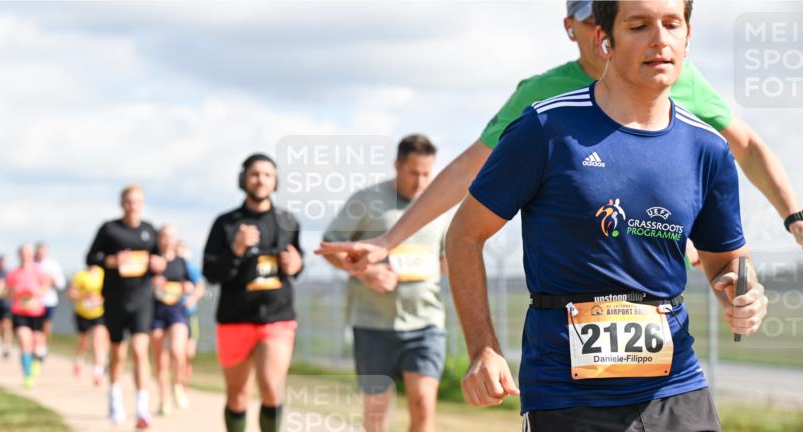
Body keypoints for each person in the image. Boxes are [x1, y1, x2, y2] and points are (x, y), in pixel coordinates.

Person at [441, 2, 768, 432]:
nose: (658, 39)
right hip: (571, 398)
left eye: (671, 23)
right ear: (604, 38)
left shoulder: (706, 148)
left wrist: (742, 290)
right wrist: (483, 348)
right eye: (638, 25)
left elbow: (724, 258)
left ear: (688, 36)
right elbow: (464, 235)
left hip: (674, 390)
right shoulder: (547, 128)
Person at [318, 0, 802, 277]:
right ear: (574, 28)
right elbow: (468, 168)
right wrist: (390, 239)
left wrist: (793, 215)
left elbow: (746, 146)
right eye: (591, 22)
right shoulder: (540, 94)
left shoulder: (675, 75)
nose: (600, 33)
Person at [322, 134, 450, 432]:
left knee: (423, 404)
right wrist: (367, 271)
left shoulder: (439, 205)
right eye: (413, 173)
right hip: (373, 323)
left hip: (426, 323)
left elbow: (449, 254)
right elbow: (330, 246)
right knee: (376, 409)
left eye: (427, 174)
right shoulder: (367, 200)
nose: (420, 182)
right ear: (397, 166)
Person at [203, 153, 304, 432]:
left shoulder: (288, 221)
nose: (261, 180)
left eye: (267, 174)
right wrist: (235, 249)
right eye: (255, 174)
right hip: (234, 317)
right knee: (237, 395)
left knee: (271, 387)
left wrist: (296, 265)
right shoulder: (225, 223)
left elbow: (296, 263)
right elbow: (211, 273)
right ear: (243, 179)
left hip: (276, 316)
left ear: (275, 181)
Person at [85, 185, 166, 429]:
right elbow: (91, 257)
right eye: (129, 201)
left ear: (142, 204)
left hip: (141, 299)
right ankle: (115, 398)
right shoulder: (110, 229)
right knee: (118, 353)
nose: (133, 206)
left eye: (137, 201)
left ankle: (142, 408)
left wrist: (158, 264)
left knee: (140, 351)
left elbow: (160, 260)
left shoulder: (149, 230)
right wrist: (111, 260)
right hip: (115, 299)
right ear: (122, 204)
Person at [151, 225, 195, 415]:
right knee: (160, 360)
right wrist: (152, 283)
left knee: (178, 351)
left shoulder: (181, 262)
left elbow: (194, 284)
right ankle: (163, 400)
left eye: (171, 236)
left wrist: (189, 289)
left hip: (177, 311)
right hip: (156, 312)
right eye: (164, 236)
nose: (167, 240)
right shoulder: (152, 261)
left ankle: (177, 384)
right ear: (159, 239)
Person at [5, 243, 51, 388]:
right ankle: (27, 375)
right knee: (25, 341)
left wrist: (36, 291)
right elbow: (7, 292)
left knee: (36, 342)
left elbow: (46, 286)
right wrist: (14, 291)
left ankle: (36, 361)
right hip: (19, 312)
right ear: (19, 255)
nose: (26, 257)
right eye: (23, 255)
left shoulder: (39, 272)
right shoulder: (13, 273)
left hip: (36, 312)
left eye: (29, 255)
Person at [68, 263, 109, 386]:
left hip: (99, 313)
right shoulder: (80, 275)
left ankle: (98, 372)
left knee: (97, 343)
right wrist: (84, 295)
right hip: (83, 313)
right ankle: (79, 360)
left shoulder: (104, 274)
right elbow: (71, 294)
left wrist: (102, 299)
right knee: (83, 342)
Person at [177, 240, 205, 386]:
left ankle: (185, 380)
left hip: (190, 314)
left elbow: (201, 287)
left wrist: (192, 298)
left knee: (189, 353)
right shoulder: (171, 266)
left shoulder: (191, 268)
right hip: (175, 315)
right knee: (178, 352)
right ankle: (178, 383)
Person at [35, 242, 66, 365]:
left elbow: (61, 284)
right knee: (35, 326)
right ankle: (36, 347)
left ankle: (44, 346)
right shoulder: (31, 264)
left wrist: (52, 280)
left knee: (46, 324)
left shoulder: (53, 265)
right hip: (33, 301)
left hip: (48, 300)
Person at [0, 254, 14, 359]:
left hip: (7, 304)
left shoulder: (9, 273)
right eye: (0, 261)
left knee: (7, 325)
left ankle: (7, 346)